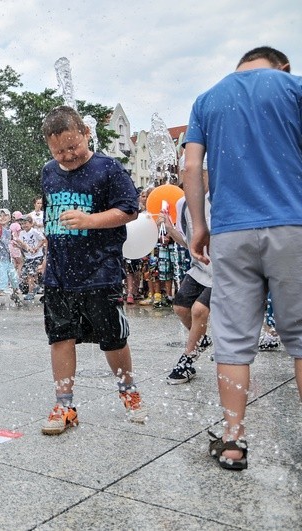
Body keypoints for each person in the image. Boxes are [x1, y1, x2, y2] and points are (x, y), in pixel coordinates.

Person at [183, 46, 302, 470]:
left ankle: (233, 442)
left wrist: (199, 224)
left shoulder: (208, 98)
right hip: (293, 224)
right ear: (281, 66)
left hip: (231, 231)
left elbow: (191, 167)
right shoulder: (295, 87)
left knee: (232, 339)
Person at [37, 106, 146, 435]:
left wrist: (91, 221)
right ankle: (65, 404)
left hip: (100, 271)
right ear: (49, 147)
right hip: (59, 272)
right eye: (59, 151)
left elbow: (130, 210)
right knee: (60, 338)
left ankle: (129, 392)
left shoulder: (108, 168)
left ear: (86, 132)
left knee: (113, 340)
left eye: (73, 146)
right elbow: (51, 219)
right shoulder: (48, 172)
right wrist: (48, 255)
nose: (68, 155)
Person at [161, 158, 213, 385]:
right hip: (201, 268)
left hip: (226, 269)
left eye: (197, 174)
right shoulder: (183, 204)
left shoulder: (222, 199)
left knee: (199, 310)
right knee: (182, 307)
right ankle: (200, 340)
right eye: (186, 176)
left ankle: (187, 359)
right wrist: (170, 230)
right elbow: (188, 242)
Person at [18, 215, 46, 300]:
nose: (24, 225)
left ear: (31, 223)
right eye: (22, 224)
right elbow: (21, 244)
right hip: (28, 256)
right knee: (26, 274)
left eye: (26, 223)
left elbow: (43, 239)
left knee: (31, 273)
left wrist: (37, 247)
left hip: (37, 256)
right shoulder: (21, 233)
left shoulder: (35, 232)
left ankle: (31, 292)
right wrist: (22, 248)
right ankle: (36, 286)